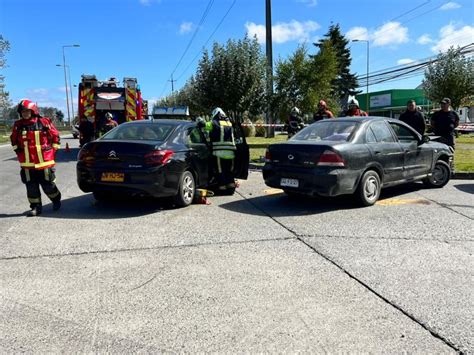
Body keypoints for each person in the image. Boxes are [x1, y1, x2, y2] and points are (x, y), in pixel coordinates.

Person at [10, 99, 62, 216]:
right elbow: (13, 140)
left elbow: (55, 137)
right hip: (27, 163)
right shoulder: (18, 126)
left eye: (27, 111)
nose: (25, 113)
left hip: (44, 161)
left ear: (33, 111)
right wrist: (18, 152)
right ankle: (35, 207)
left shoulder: (44, 122)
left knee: (48, 184)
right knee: (31, 186)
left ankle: (56, 199)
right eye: (22, 111)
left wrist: (52, 151)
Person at [198, 108, 237, 192]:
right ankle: (231, 186)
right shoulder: (229, 123)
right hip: (231, 152)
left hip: (219, 152)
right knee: (229, 170)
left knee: (220, 170)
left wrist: (199, 120)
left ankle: (222, 188)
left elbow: (203, 124)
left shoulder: (214, 123)